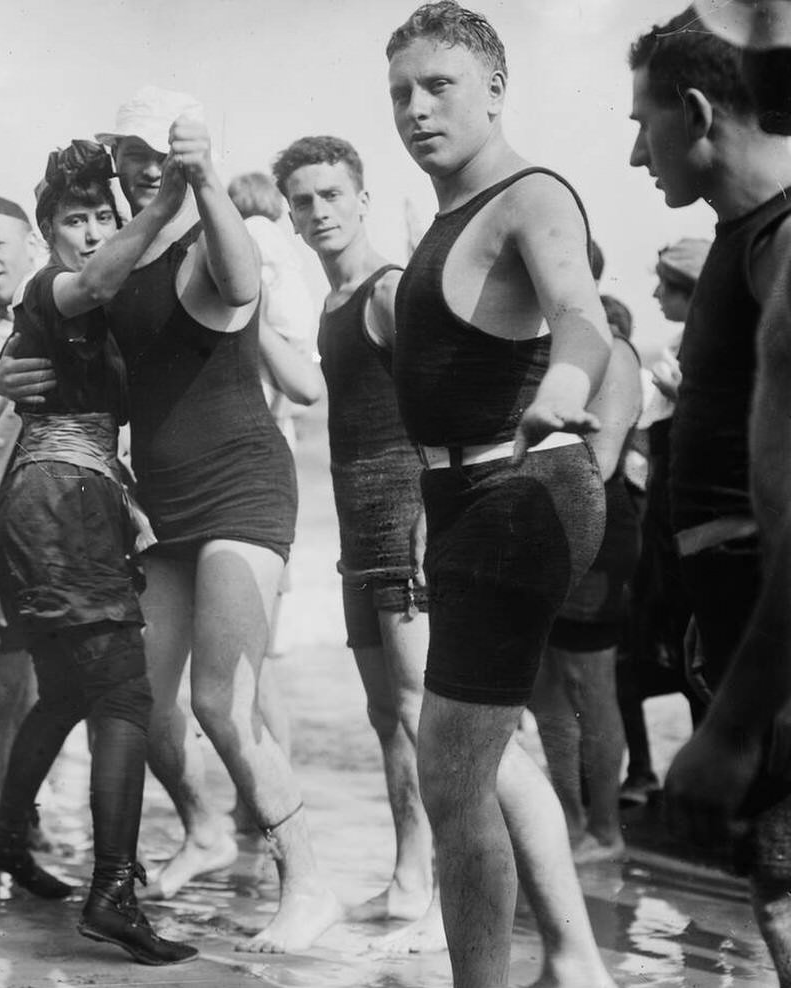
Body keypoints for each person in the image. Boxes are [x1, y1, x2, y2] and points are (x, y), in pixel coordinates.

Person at [0, 88, 340, 954]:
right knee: (145, 709)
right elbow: (59, 324)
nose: (151, 163)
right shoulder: (122, 259)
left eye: (165, 150)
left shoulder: (203, 242)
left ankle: (309, 882)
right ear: (117, 155)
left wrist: (206, 177)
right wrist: (10, 372)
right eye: (135, 150)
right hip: (166, 508)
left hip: (242, 491)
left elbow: (240, 282)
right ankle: (206, 831)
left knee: (222, 705)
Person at [386, 4, 615, 985]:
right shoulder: (444, 215)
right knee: (494, 747)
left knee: (449, 769)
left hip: (516, 490)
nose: (413, 108)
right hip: (466, 501)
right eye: (398, 91)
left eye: (436, 85)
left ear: (491, 88)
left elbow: (578, 312)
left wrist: (564, 386)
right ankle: (573, 962)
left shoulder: (531, 194)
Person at [0, 150, 196, 965]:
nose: (94, 232)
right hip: (61, 498)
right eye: (75, 220)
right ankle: (113, 893)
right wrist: (165, 197)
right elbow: (98, 282)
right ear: (48, 236)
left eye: (103, 215)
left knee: (68, 686)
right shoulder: (55, 289)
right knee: (125, 697)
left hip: (61, 499)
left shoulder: (98, 314)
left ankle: (3, 831)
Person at [628, 6, 791, 982]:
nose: (634, 150)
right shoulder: (745, 238)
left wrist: (730, 725)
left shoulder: (777, 247)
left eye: (639, 119)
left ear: (692, 111)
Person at [271, 135, 442, 952]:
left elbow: (445, 406)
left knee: (422, 710)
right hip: (355, 523)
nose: (318, 213)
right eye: (303, 201)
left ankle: (447, 894)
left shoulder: (388, 290)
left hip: (406, 515)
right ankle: (411, 875)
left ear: (362, 198)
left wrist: (428, 518)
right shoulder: (333, 305)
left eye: (332, 195)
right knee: (385, 713)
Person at [530, 288, 643, 865]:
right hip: (538, 529)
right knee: (544, 689)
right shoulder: (542, 346)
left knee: (589, 685)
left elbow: (600, 461)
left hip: (595, 530)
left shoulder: (613, 351)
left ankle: (605, 829)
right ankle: (571, 823)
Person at [222, 171, 317, 762]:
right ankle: (255, 802)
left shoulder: (252, 244)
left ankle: (260, 803)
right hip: (273, 455)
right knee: (253, 663)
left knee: (248, 669)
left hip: (245, 459)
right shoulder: (287, 257)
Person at [617, 239, 710, 808]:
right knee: (664, 652)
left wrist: (682, 394)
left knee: (696, 655)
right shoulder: (684, 347)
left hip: (689, 531)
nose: (655, 294)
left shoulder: (704, 353)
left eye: (666, 286)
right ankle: (665, 776)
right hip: (665, 528)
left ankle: (696, 782)